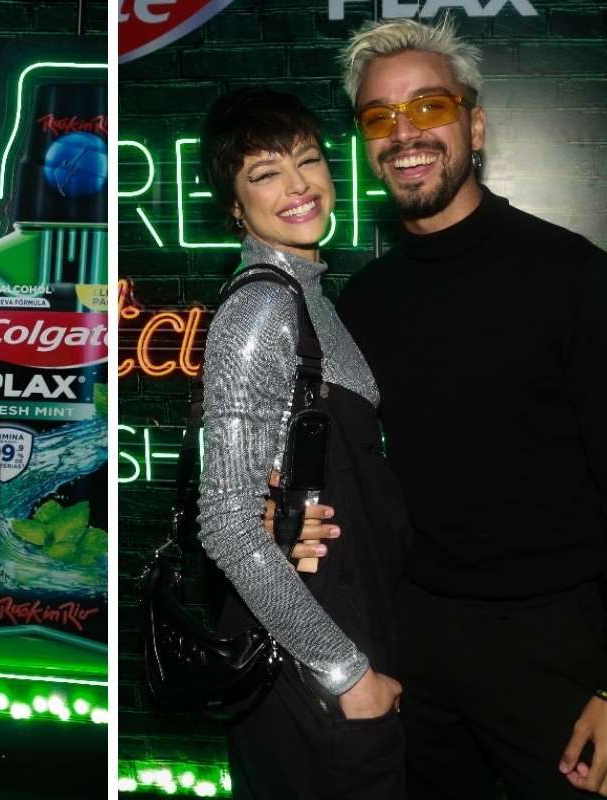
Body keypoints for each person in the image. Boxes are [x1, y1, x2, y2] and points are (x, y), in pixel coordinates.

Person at [332, 17, 607, 800]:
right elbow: (354, 473)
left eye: (429, 106)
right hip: (415, 642)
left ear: (474, 126)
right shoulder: (365, 300)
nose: (404, 134)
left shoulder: (572, 275)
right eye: (379, 117)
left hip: (553, 646)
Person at [196, 87, 410, 800]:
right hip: (310, 651)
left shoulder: (312, 295)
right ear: (235, 205)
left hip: (339, 610)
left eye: (308, 160)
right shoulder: (260, 308)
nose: (298, 185)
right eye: (265, 173)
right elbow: (227, 525)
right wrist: (345, 673)